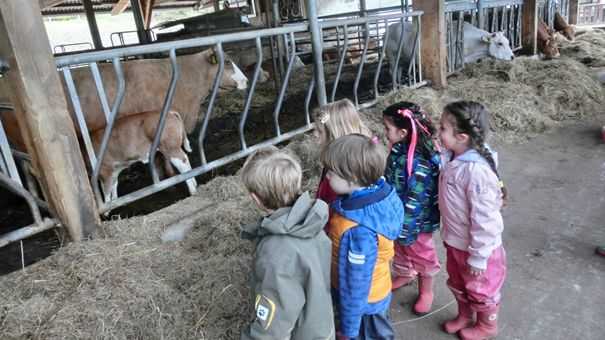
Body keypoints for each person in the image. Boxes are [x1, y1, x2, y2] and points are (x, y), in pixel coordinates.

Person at [239, 147, 335, 340]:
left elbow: (275, 323)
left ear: (255, 198)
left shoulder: (276, 253)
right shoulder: (312, 220)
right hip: (321, 324)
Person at [321, 134, 404, 340]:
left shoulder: (357, 231)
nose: (327, 176)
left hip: (363, 305)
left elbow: (355, 283)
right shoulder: (381, 194)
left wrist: (348, 328)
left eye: (332, 172)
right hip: (376, 288)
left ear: (352, 178)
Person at [438, 101, 507, 340]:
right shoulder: (453, 157)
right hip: (456, 241)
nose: (439, 133)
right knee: (458, 282)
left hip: (477, 249)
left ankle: (487, 326)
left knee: (481, 289)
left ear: (462, 136)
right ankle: (464, 315)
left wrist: (479, 256)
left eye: (442, 129)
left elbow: (486, 220)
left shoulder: (476, 173)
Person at [382, 102, 441, 315]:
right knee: (399, 249)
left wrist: (405, 228)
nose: (385, 133)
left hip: (416, 223)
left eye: (388, 129)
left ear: (403, 132)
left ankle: (426, 291)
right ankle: (406, 273)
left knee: (423, 254)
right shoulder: (399, 150)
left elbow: (415, 201)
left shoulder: (420, 163)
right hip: (399, 218)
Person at [314, 98, 372, 206]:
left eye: (320, 131)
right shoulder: (336, 159)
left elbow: (333, 203)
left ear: (335, 134)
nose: (315, 134)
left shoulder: (342, 173)